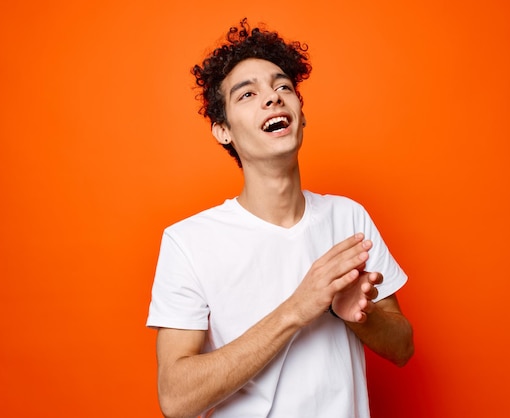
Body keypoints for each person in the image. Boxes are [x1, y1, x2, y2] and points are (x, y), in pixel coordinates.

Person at [147, 18, 414, 418]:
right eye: (247, 94)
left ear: (301, 115)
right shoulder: (188, 242)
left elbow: (403, 348)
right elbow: (176, 398)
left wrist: (360, 315)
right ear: (223, 131)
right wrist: (297, 308)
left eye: (283, 87)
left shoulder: (348, 218)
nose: (272, 98)